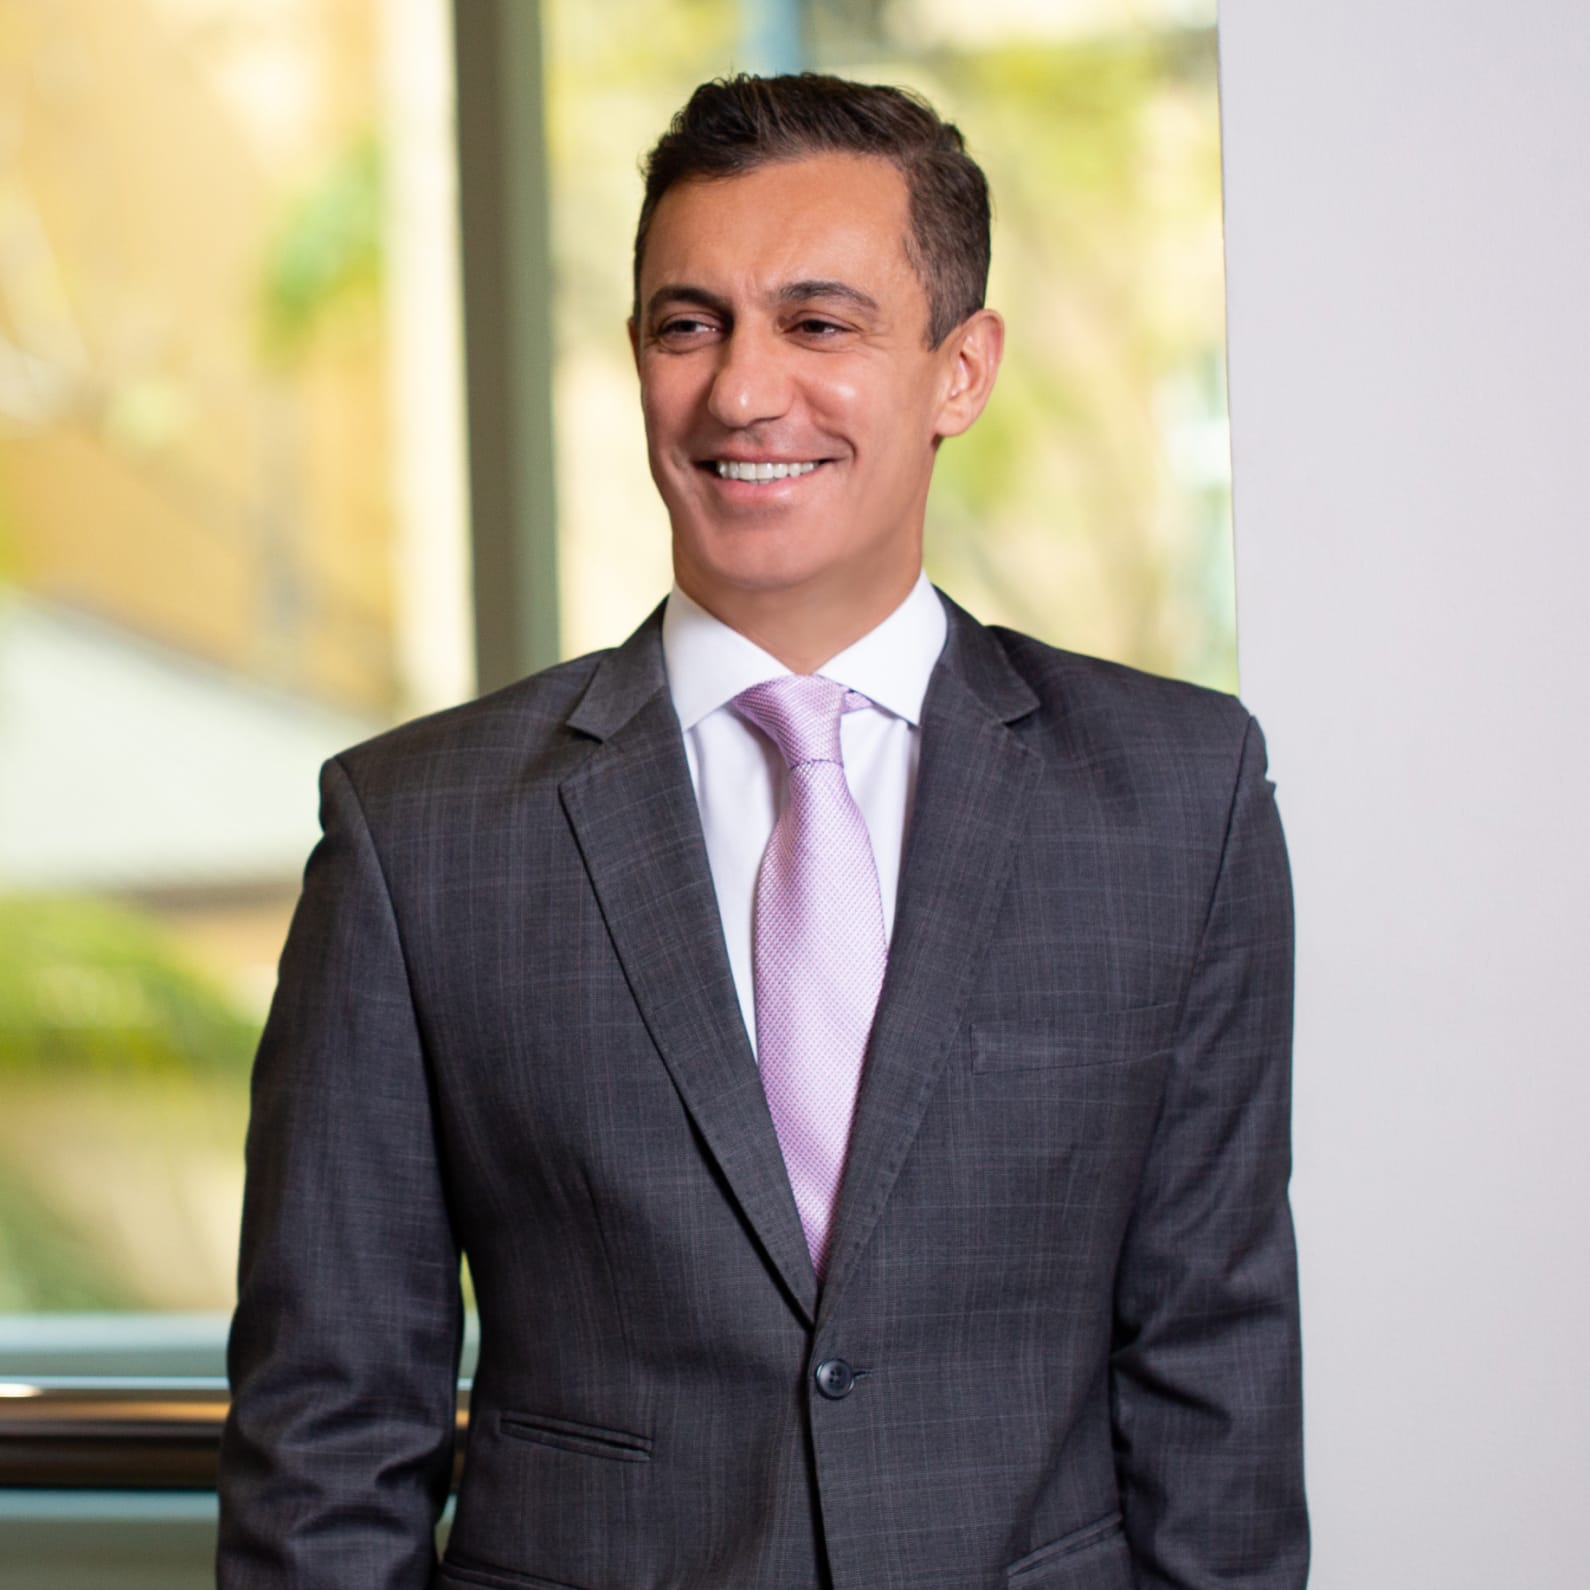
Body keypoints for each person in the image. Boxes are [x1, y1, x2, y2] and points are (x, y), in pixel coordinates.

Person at [218, 73, 1307, 1590]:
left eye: (819, 323)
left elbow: (1214, 1372)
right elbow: (330, 1425)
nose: (739, 390)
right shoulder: (417, 835)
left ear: (959, 368)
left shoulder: (1176, 799)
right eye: (688, 324)